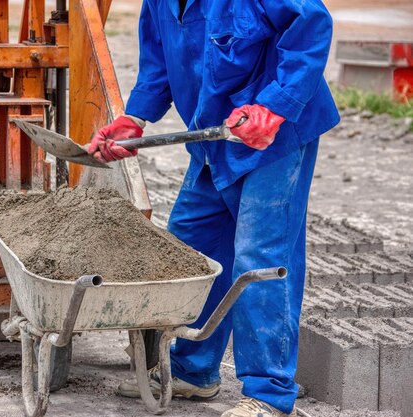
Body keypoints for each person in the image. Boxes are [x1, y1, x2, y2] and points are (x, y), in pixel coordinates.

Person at [87, 0, 340, 416]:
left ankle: (270, 394)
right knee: (192, 245)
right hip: (214, 137)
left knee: (260, 256)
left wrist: (275, 105)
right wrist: (136, 116)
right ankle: (194, 370)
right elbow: (160, 57)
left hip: (272, 138)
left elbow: (312, 25)